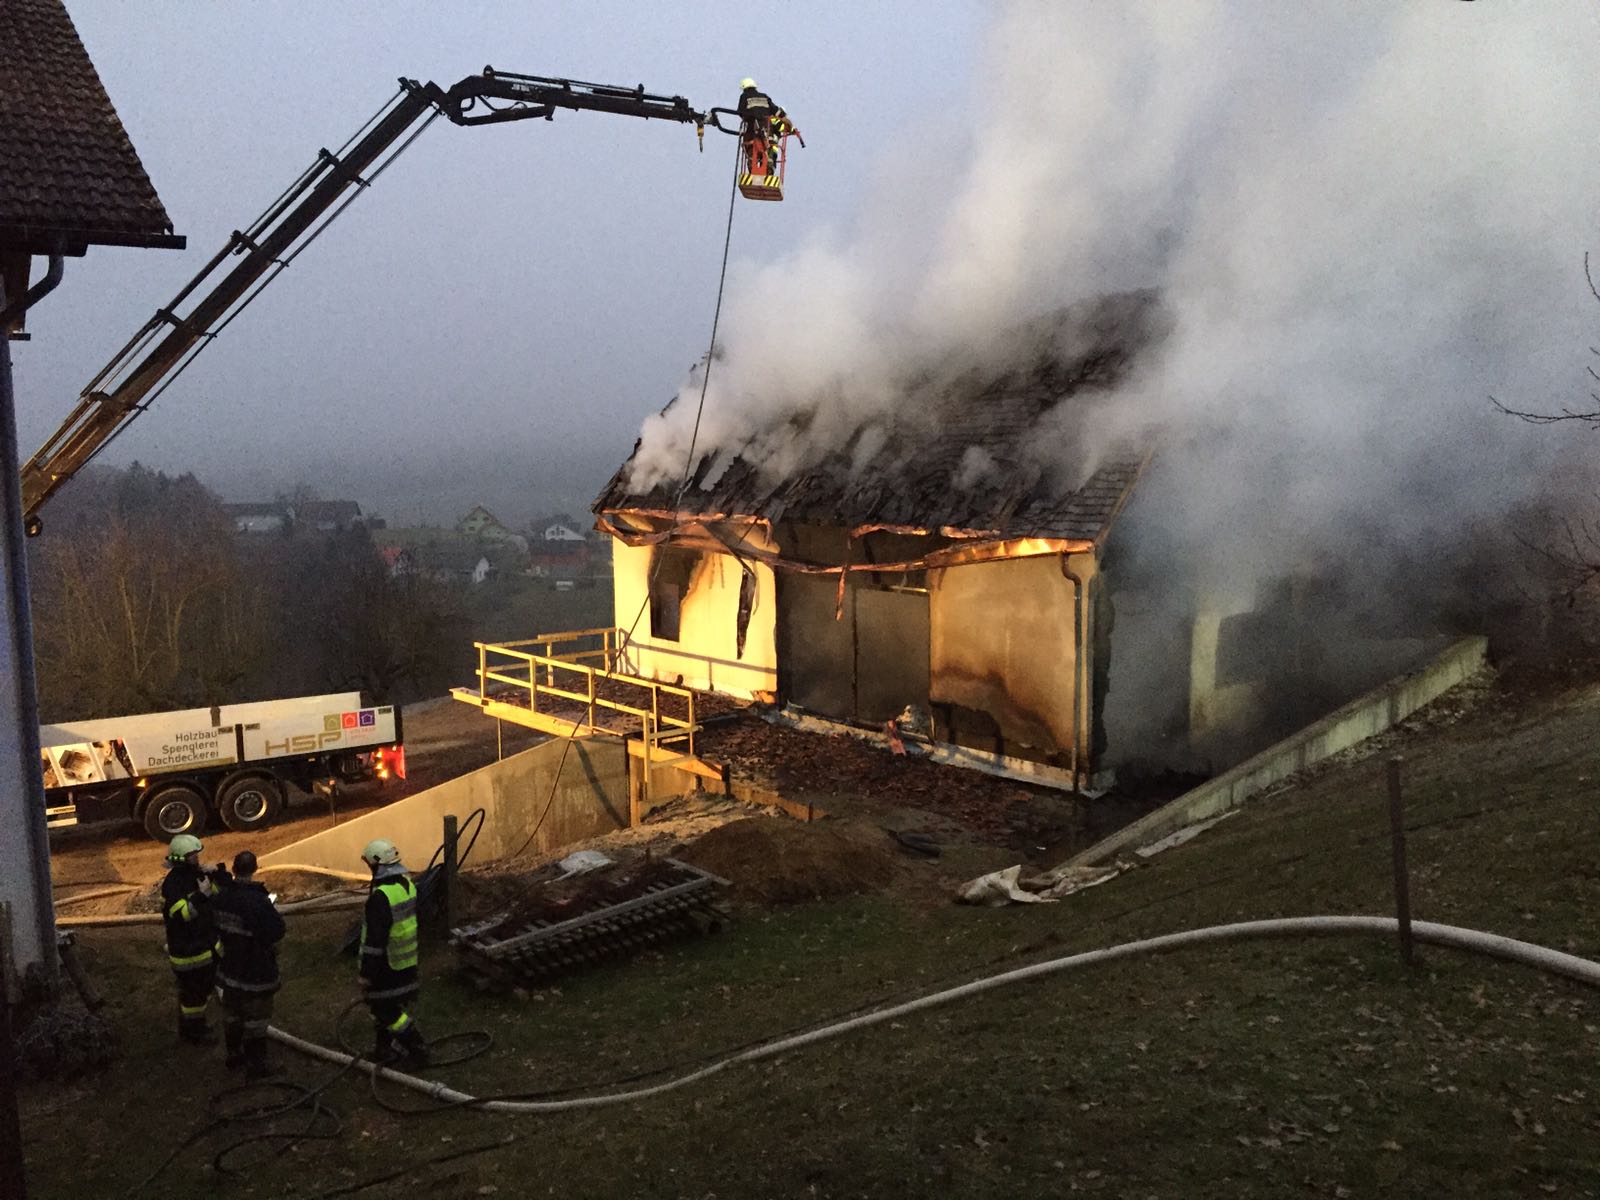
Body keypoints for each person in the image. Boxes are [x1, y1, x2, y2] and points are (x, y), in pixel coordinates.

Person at [211, 850, 286, 1079]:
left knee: (232, 1013)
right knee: (257, 1019)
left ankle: (234, 1054)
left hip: (230, 968)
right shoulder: (257, 901)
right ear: (255, 869)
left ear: (234, 869)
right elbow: (276, 931)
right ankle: (257, 1065)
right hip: (256, 970)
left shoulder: (221, 898)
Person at [357, 838, 428, 1067]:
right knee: (384, 1006)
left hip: (387, 965)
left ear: (376, 864)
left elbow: (374, 941)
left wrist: (366, 974)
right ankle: (383, 1050)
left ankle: (417, 1048)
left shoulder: (381, 897)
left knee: (385, 1010)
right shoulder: (407, 886)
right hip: (406, 961)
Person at [159, 833, 223, 1045]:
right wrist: (202, 895)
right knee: (193, 997)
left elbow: (217, 895)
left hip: (202, 947)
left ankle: (191, 1027)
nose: (197, 858)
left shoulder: (195, 875)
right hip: (188, 953)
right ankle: (195, 1033)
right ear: (181, 859)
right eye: (193, 855)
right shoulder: (173, 885)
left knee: (198, 993)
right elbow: (183, 914)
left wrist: (216, 875)